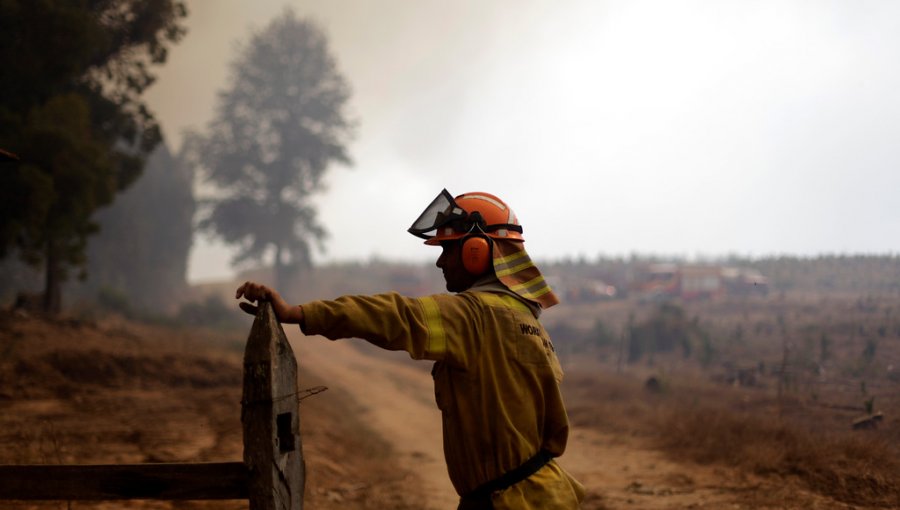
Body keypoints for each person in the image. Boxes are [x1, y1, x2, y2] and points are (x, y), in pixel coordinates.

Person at [236, 189, 585, 509]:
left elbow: (395, 315)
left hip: (508, 502)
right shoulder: (529, 322)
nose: (440, 262)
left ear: (476, 252)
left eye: (448, 249)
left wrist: (298, 313)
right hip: (544, 495)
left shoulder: (474, 315)